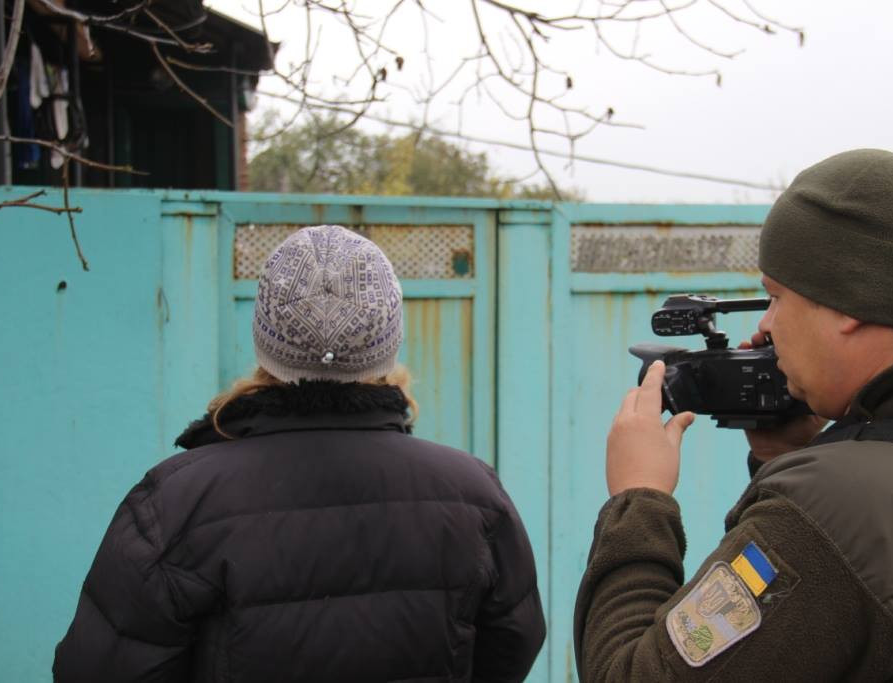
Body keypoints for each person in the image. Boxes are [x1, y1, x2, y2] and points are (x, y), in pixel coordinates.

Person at [574, 149, 893, 680]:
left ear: (850, 302)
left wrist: (637, 499)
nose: (767, 325)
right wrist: (791, 457)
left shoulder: (839, 508)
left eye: (777, 297)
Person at [53, 225, 546, 682]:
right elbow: (511, 646)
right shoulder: (473, 494)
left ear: (264, 337)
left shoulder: (176, 502)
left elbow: (100, 667)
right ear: (390, 340)